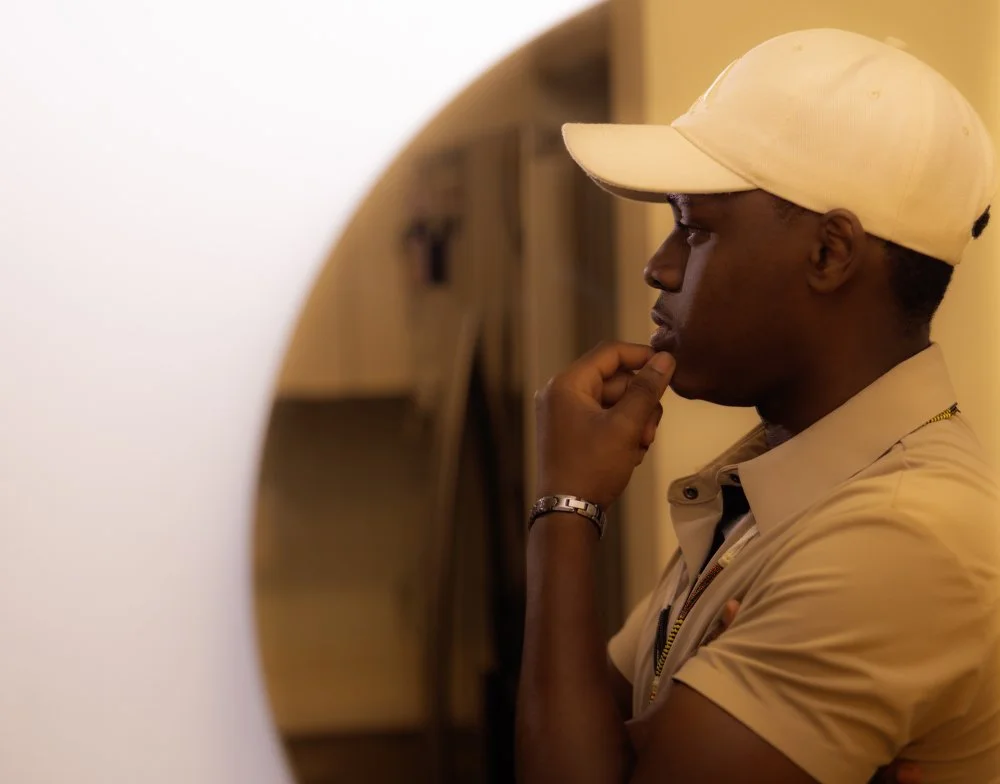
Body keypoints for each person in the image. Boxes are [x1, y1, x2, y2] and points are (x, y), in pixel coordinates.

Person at [515, 28, 999, 784]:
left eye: (696, 228)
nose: (658, 265)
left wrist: (566, 506)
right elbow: (588, 736)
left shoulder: (903, 538)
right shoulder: (771, 484)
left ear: (829, 253)